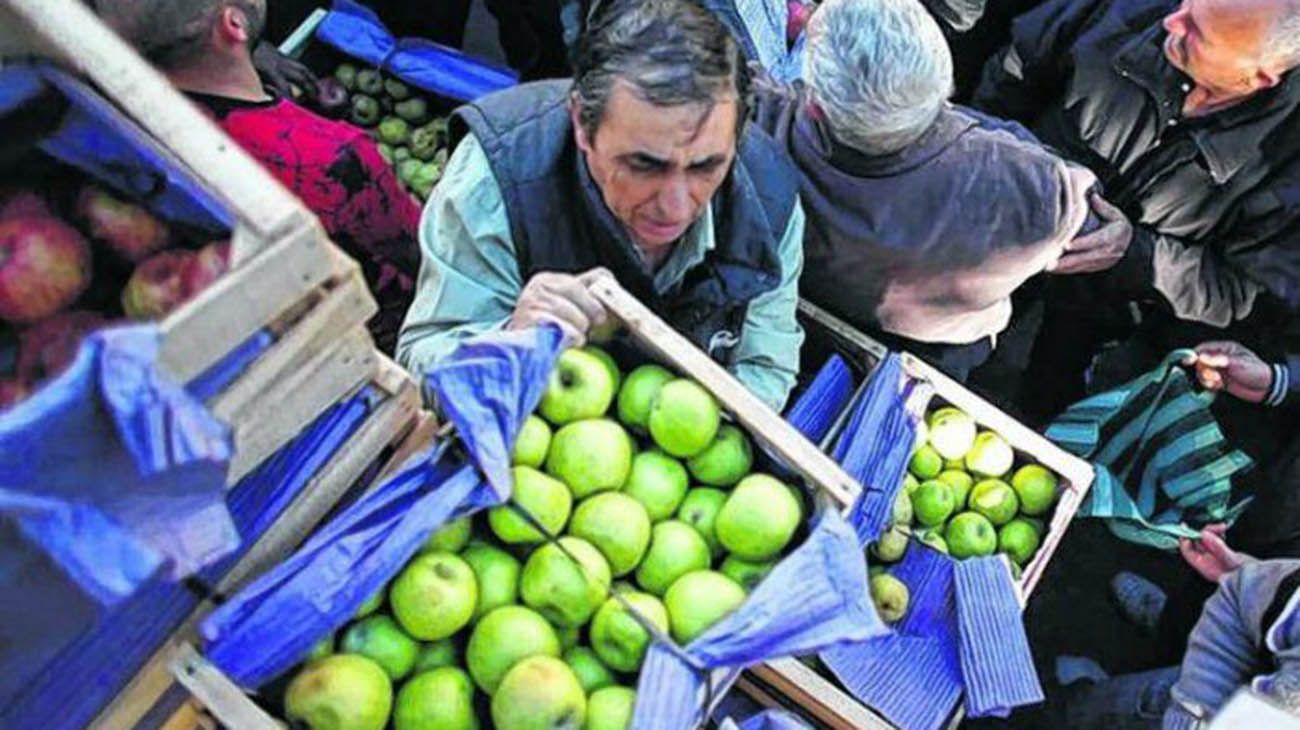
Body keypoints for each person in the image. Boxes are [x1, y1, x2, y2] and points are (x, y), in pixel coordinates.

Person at [397, 0, 806, 411]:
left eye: (706, 167)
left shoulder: (771, 199)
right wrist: (507, 340)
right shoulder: (496, 177)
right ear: (581, 124)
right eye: (644, 165)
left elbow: (764, 369)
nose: (675, 208)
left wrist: (709, 430)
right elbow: (420, 363)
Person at [751, 0, 1118, 381]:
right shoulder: (1035, 189)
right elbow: (1097, 230)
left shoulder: (759, 126)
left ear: (815, 108)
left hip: (801, 309)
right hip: (934, 359)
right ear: (945, 79)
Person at [972, 0, 1300, 421]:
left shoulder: (1286, 163)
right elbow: (1019, 66)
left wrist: (1135, 254)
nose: (1171, 22)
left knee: (1048, 399)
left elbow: (1239, 291)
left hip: (1112, 307)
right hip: (1005, 223)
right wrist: (992, 166)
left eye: (1197, 32)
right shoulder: (1130, 10)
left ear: (1259, 76)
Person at [95, 0, 423, 353]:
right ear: (233, 23)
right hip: (357, 333)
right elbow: (419, 253)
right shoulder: (334, 158)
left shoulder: (109, 124)